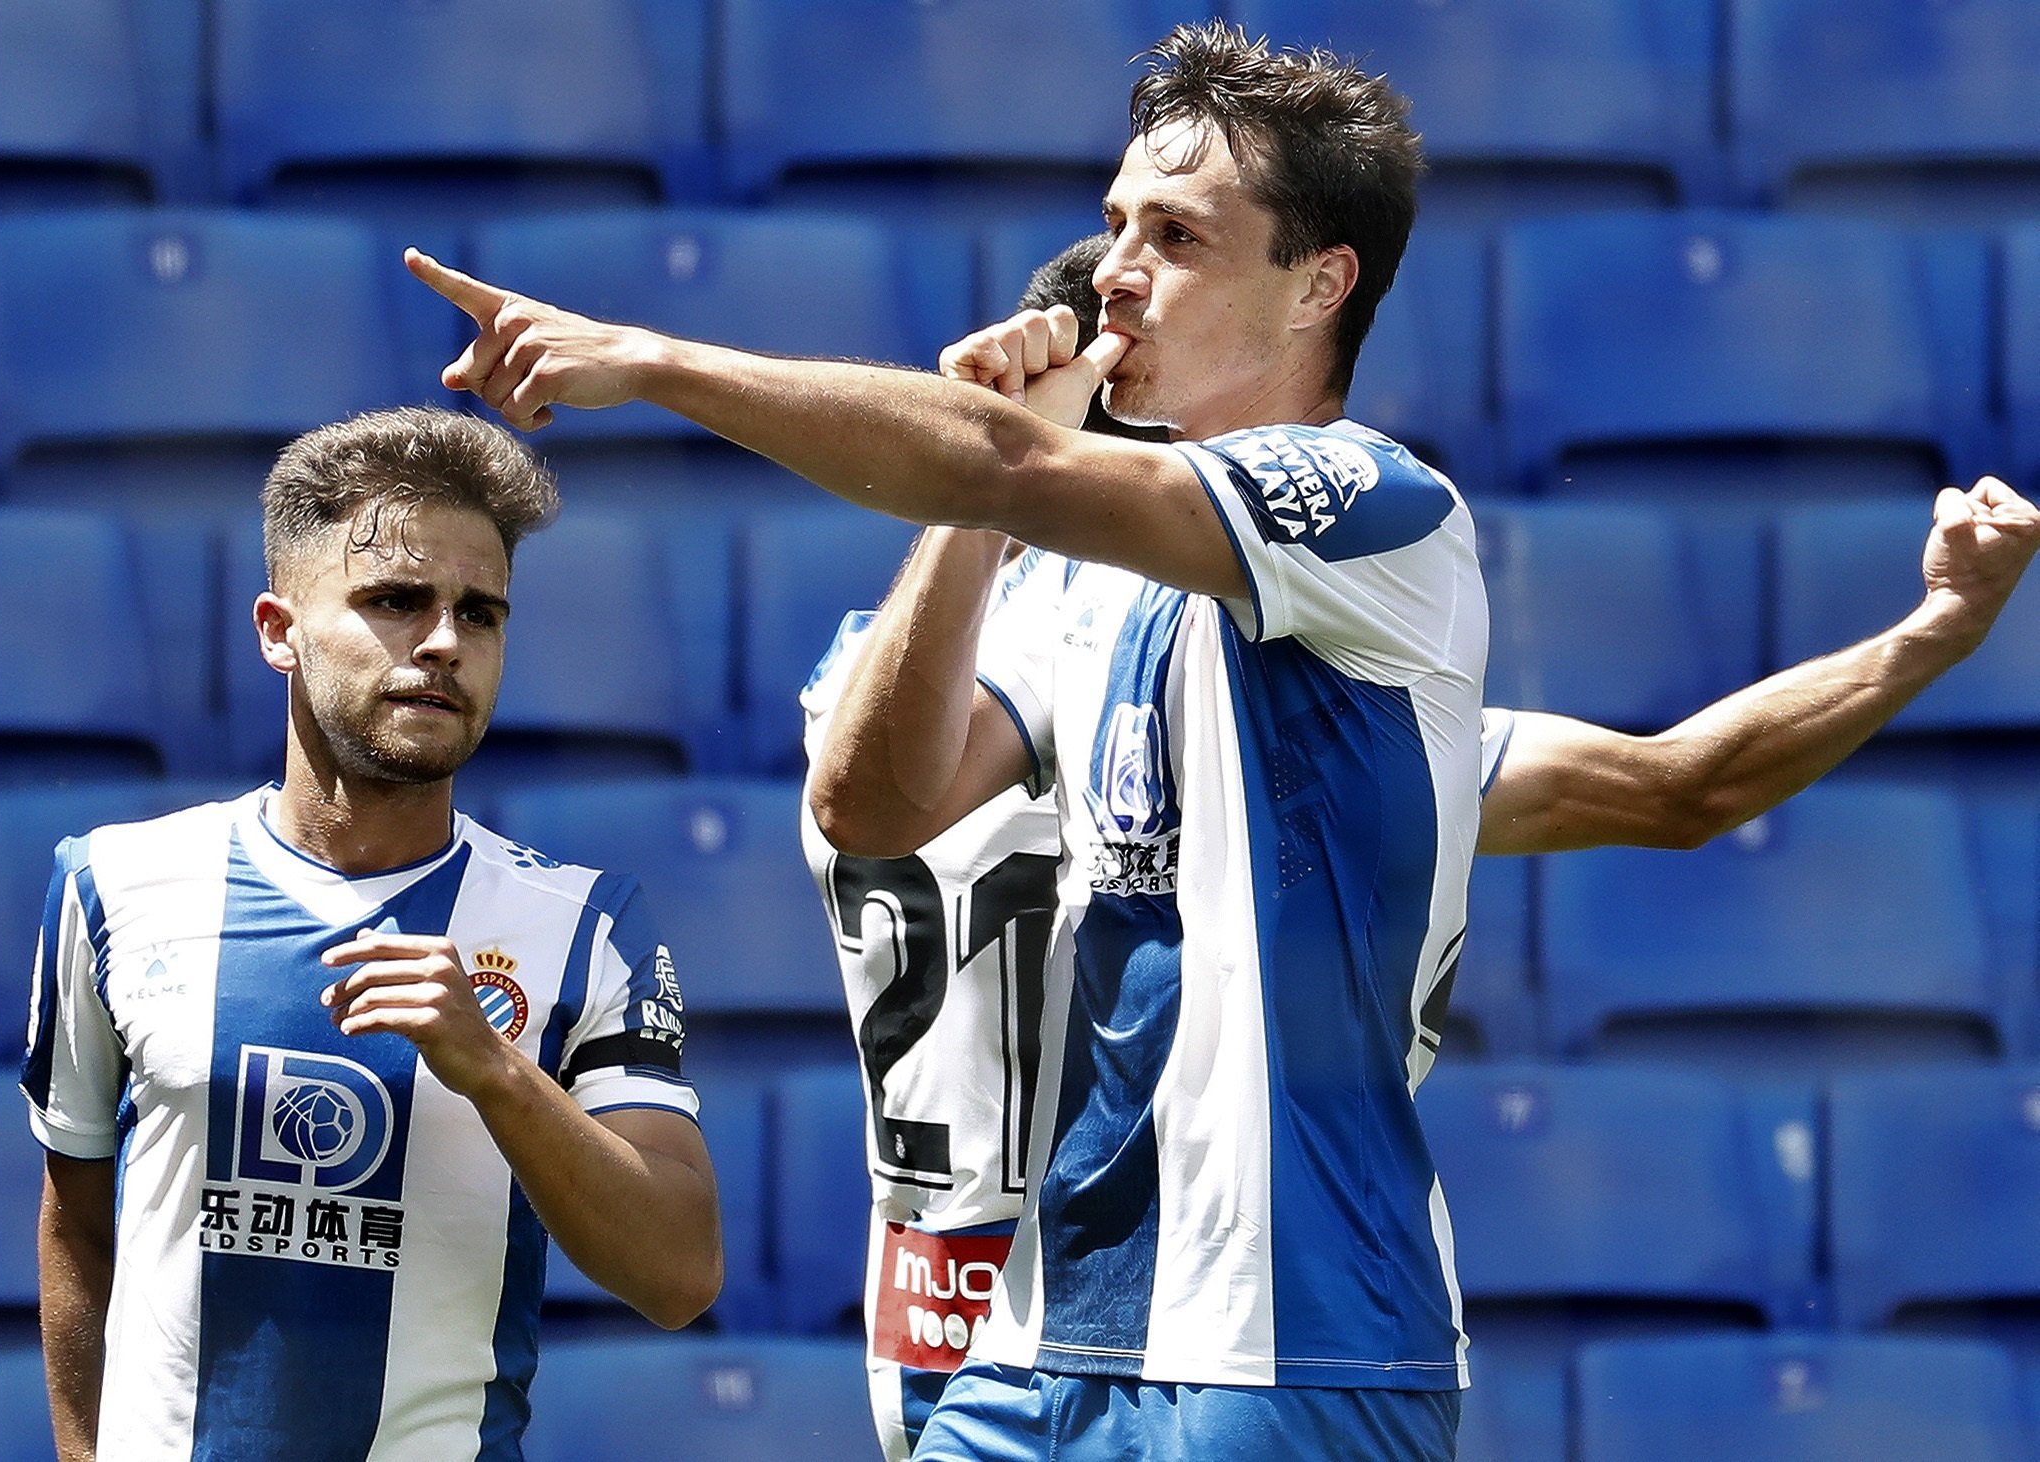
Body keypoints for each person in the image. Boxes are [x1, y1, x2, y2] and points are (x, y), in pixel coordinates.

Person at [403, 21, 2031, 1457]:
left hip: (1291, 1343)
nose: (1114, 266)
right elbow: (877, 799)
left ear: (1318, 282)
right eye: (1111, 221)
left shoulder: (1378, 513)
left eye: (1174, 234)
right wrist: (986, 496)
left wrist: (658, 358)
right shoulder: (1087, 603)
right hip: (1045, 1346)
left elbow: (1676, 788)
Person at [803, 236, 2040, 1460]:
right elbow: (1675, 787)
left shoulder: (857, 686)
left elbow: (1674, 787)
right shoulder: (1229, 727)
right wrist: (1931, 635)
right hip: (1133, 1299)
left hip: (952, 1297)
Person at [22, 407, 724, 1462]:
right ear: (277, 629)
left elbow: (678, 1275)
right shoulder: (112, 885)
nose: (444, 640)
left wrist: (491, 1066)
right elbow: (78, 1223)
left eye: (479, 613)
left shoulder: (585, 926)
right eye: (396, 600)